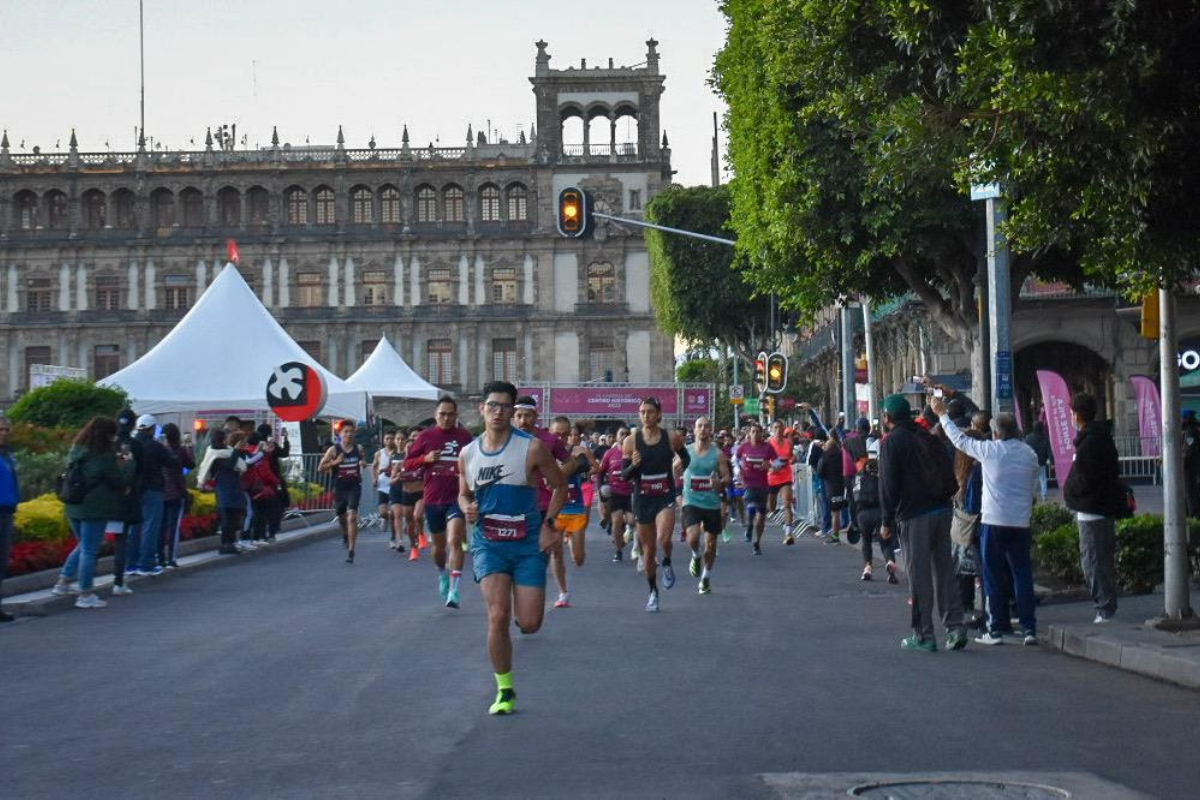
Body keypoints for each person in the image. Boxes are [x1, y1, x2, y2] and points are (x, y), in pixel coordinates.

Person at [459, 380, 565, 715]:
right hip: (489, 543)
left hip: (526, 543)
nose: (499, 412)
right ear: (482, 408)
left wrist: (550, 526)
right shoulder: (468, 453)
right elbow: (464, 493)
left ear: (514, 411)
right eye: (493, 405)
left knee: (530, 622)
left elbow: (559, 485)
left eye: (506, 407)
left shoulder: (531, 448)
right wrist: (466, 507)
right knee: (497, 615)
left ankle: (522, 621)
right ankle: (505, 689)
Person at [934, 397, 1040, 646]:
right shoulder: (1030, 454)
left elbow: (959, 439)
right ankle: (1029, 629)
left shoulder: (991, 452)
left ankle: (995, 630)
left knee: (992, 575)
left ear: (996, 433)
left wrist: (941, 414)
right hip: (1021, 522)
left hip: (994, 522)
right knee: (1022, 575)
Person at [878, 393, 968, 653]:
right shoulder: (927, 435)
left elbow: (888, 485)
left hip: (913, 514)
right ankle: (955, 627)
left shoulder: (891, 443)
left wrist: (886, 521)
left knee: (919, 576)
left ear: (887, 417)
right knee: (945, 571)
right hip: (941, 509)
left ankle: (924, 634)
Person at [51, 417, 136, 610]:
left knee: (83, 546)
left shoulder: (76, 450)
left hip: (73, 504)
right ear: (107, 435)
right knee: (90, 549)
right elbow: (120, 481)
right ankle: (85, 593)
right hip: (95, 508)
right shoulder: (104, 457)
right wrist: (128, 462)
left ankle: (63, 582)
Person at [403, 397, 474, 607]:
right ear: (435, 415)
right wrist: (425, 459)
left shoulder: (464, 436)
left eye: (450, 414)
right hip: (433, 499)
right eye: (442, 414)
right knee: (439, 549)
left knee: (455, 540)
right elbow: (407, 464)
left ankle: (454, 590)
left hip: (457, 498)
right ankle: (442, 573)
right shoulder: (426, 436)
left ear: (456, 415)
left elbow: (476, 461)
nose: (446, 418)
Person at [622, 397, 690, 611]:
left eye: (650, 412)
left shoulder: (671, 437)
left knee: (663, 538)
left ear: (659, 414)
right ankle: (653, 592)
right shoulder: (631, 441)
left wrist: (680, 467)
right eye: (642, 412)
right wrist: (633, 466)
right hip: (643, 497)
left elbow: (685, 458)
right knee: (649, 551)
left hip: (664, 495)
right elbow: (625, 475)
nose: (645, 416)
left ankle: (668, 560)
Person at [1062, 392, 1124, 624]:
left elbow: (1085, 477)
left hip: (1092, 508)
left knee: (1094, 561)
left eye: (1071, 412)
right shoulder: (1100, 437)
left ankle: (1105, 608)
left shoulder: (1089, 443)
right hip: (1100, 506)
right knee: (1099, 559)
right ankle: (1105, 604)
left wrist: (1070, 493)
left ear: (1077, 414)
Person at [548, 419, 597, 608]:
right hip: (556, 509)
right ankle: (563, 593)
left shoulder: (578, 452)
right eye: (556, 434)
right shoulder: (544, 454)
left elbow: (596, 468)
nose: (560, 438)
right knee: (556, 552)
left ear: (570, 434)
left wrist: (583, 472)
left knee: (578, 559)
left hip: (576, 508)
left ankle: (572, 539)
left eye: (564, 434)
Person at [680, 416, 731, 595]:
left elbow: (727, 477)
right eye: (699, 426)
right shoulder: (686, 451)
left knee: (710, 544)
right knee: (693, 537)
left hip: (711, 504)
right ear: (694, 430)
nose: (703, 429)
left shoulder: (717, 454)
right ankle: (695, 555)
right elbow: (674, 469)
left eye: (706, 426)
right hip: (691, 501)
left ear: (711, 430)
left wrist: (720, 484)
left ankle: (705, 578)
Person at [125, 414, 179, 576]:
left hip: (134, 490)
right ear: (152, 428)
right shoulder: (155, 446)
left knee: (134, 527)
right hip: (153, 489)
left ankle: (131, 564)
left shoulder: (129, 444)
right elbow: (173, 462)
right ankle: (146, 563)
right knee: (150, 526)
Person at [319, 423, 365, 564]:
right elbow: (320, 468)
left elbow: (362, 459)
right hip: (339, 487)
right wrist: (336, 462)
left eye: (351, 431)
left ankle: (351, 550)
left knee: (352, 516)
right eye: (346, 432)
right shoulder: (334, 450)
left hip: (354, 486)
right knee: (341, 515)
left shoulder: (358, 448)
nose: (349, 434)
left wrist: (363, 462)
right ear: (340, 434)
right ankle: (345, 533)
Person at [852, 442, 897, 583]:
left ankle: (867, 568)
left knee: (866, 541)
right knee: (885, 541)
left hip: (862, 513)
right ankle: (890, 563)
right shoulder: (881, 476)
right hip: (879, 511)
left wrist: (853, 521)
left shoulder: (858, 477)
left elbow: (852, 497)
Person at [197, 428, 247, 556]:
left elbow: (240, 464)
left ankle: (231, 543)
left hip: (234, 487)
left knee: (234, 517)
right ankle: (226, 544)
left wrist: (236, 451)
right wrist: (235, 451)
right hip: (224, 489)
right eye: (224, 438)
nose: (226, 441)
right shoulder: (215, 454)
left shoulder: (227, 451)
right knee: (227, 518)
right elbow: (229, 465)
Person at [158, 423, 194, 569]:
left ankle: (159, 558)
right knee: (173, 527)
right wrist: (189, 447)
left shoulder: (159, 450)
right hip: (176, 493)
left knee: (160, 526)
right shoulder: (180, 451)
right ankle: (171, 558)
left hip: (160, 493)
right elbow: (191, 465)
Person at [737, 423, 775, 554]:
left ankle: (757, 543)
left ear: (762, 433)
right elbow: (734, 459)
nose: (756, 434)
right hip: (749, 483)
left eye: (758, 432)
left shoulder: (768, 447)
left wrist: (770, 466)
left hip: (763, 485)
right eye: (753, 431)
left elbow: (778, 462)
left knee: (761, 519)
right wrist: (739, 470)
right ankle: (749, 526)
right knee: (751, 507)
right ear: (749, 433)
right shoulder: (744, 446)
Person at [599, 427, 635, 562]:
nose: (624, 436)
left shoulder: (634, 452)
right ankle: (618, 551)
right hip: (615, 492)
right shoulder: (610, 453)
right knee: (617, 519)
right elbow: (601, 472)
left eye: (627, 434)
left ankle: (624, 537)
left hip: (630, 492)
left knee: (632, 521)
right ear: (617, 436)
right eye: (622, 434)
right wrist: (600, 488)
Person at [390, 433, 425, 561]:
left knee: (417, 515)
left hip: (421, 493)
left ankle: (421, 535)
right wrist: (398, 477)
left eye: (412, 447)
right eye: (408, 447)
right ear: (405, 449)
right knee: (409, 522)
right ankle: (413, 547)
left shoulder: (422, 462)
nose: (410, 449)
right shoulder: (400, 464)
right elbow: (391, 481)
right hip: (406, 494)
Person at [0, 416, 19, 621]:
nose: (4, 433)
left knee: (1, 562)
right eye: (0, 430)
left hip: (7, 511)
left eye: (6, 429)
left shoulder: (8, 456)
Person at [767, 420, 797, 544]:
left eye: (780, 427)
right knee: (771, 507)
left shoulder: (788, 442)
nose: (778, 430)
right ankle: (773, 511)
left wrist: (793, 459)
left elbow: (792, 456)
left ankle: (788, 534)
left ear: (784, 429)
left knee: (787, 505)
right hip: (772, 476)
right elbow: (764, 459)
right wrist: (771, 467)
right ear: (773, 429)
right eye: (776, 428)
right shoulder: (768, 443)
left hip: (785, 476)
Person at [373, 431, 401, 551]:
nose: (389, 441)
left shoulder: (398, 453)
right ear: (383, 440)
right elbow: (374, 466)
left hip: (394, 486)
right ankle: (387, 517)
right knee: (383, 513)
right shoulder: (379, 453)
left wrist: (386, 469)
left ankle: (393, 538)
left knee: (394, 514)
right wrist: (374, 478)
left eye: (391, 438)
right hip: (382, 486)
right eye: (387, 438)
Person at [816, 430, 846, 544]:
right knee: (838, 512)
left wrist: (825, 476)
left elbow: (819, 472)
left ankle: (835, 537)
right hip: (841, 485)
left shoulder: (825, 456)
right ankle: (836, 535)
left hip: (830, 486)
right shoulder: (841, 454)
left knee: (834, 513)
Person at [1025, 422, 1052, 502]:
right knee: (1043, 479)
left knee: (1033, 480)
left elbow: (1025, 450)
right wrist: (1051, 461)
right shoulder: (1045, 438)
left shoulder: (1028, 437)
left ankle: (1032, 495)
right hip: (1042, 461)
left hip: (1031, 462)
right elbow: (1049, 450)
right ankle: (1044, 495)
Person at [1183, 410, 1200, 518]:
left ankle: (1193, 515)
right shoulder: (1195, 429)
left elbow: (1190, 449)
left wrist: (1182, 460)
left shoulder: (1190, 432)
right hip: (1195, 465)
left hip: (1191, 467)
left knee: (1190, 491)